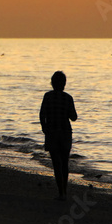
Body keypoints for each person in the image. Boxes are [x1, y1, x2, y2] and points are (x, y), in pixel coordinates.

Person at [39, 71, 77, 201]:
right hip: (65, 132)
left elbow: (42, 114)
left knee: (56, 163)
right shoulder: (68, 98)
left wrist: (44, 128)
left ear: (52, 83)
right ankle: (64, 192)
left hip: (52, 132)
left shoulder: (47, 96)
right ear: (64, 84)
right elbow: (74, 117)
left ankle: (61, 193)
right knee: (64, 163)